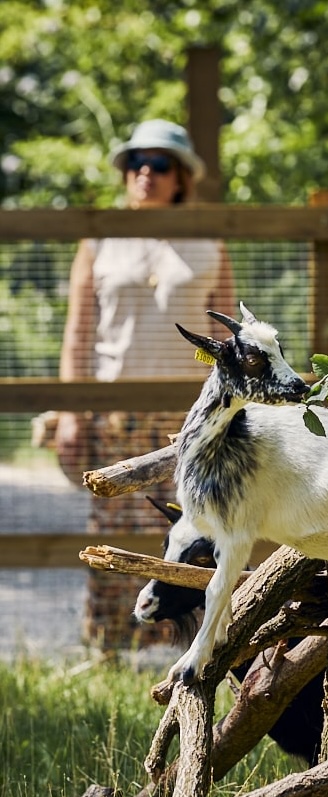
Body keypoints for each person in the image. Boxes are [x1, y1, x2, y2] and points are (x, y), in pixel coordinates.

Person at [56, 118, 235, 653]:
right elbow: (78, 333)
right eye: (135, 163)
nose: (145, 173)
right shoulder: (99, 240)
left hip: (193, 419)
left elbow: (227, 337)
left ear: (180, 176)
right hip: (115, 413)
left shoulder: (209, 242)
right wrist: (70, 415)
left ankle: (195, 656)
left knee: (196, 536)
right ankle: (108, 656)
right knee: (115, 534)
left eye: (159, 164)